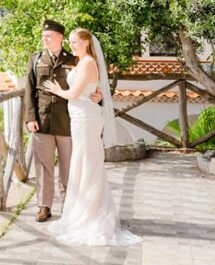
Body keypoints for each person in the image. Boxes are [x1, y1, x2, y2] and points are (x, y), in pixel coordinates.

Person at [42, 28, 141, 246]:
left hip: (85, 119)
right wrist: (95, 94)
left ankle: (91, 214)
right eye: (70, 42)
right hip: (81, 117)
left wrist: (56, 89)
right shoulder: (83, 62)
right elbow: (91, 90)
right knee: (83, 163)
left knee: (87, 164)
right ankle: (84, 210)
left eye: (75, 42)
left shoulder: (87, 63)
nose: (72, 45)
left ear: (87, 42)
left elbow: (74, 94)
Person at [21, 19, 101, 223]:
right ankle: (44, 206)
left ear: (59, 37)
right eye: (43, 36)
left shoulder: (74, 59)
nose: (44, 39)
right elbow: (29, 91)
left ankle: (68, 204)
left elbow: (89, 82)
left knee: (69, 166)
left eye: (48, 36)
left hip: (68, 121)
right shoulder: (36, 59)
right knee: (43, 165)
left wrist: (97, 94)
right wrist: (30, 118)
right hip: (42, 120)